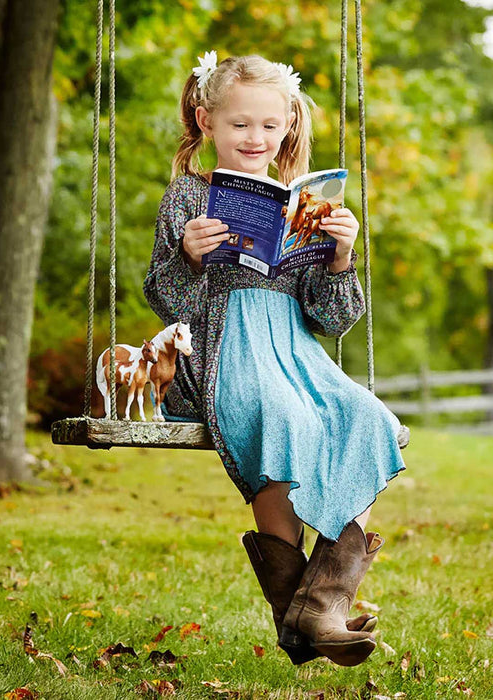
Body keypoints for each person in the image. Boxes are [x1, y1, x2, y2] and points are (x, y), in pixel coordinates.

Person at [144, 51, 407, 668]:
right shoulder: (187, 196)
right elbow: (165, 298)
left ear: (288, 124)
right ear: (207, 121)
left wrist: (340, 258)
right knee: (279, 418)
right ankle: (311, 610)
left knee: (366, 418)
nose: (255, 138)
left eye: (269, 125)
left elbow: (332, 318)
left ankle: (319, 611)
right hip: (220, 352)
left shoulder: (304, 201)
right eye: (239, 125)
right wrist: (188, 257)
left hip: (295, 348)